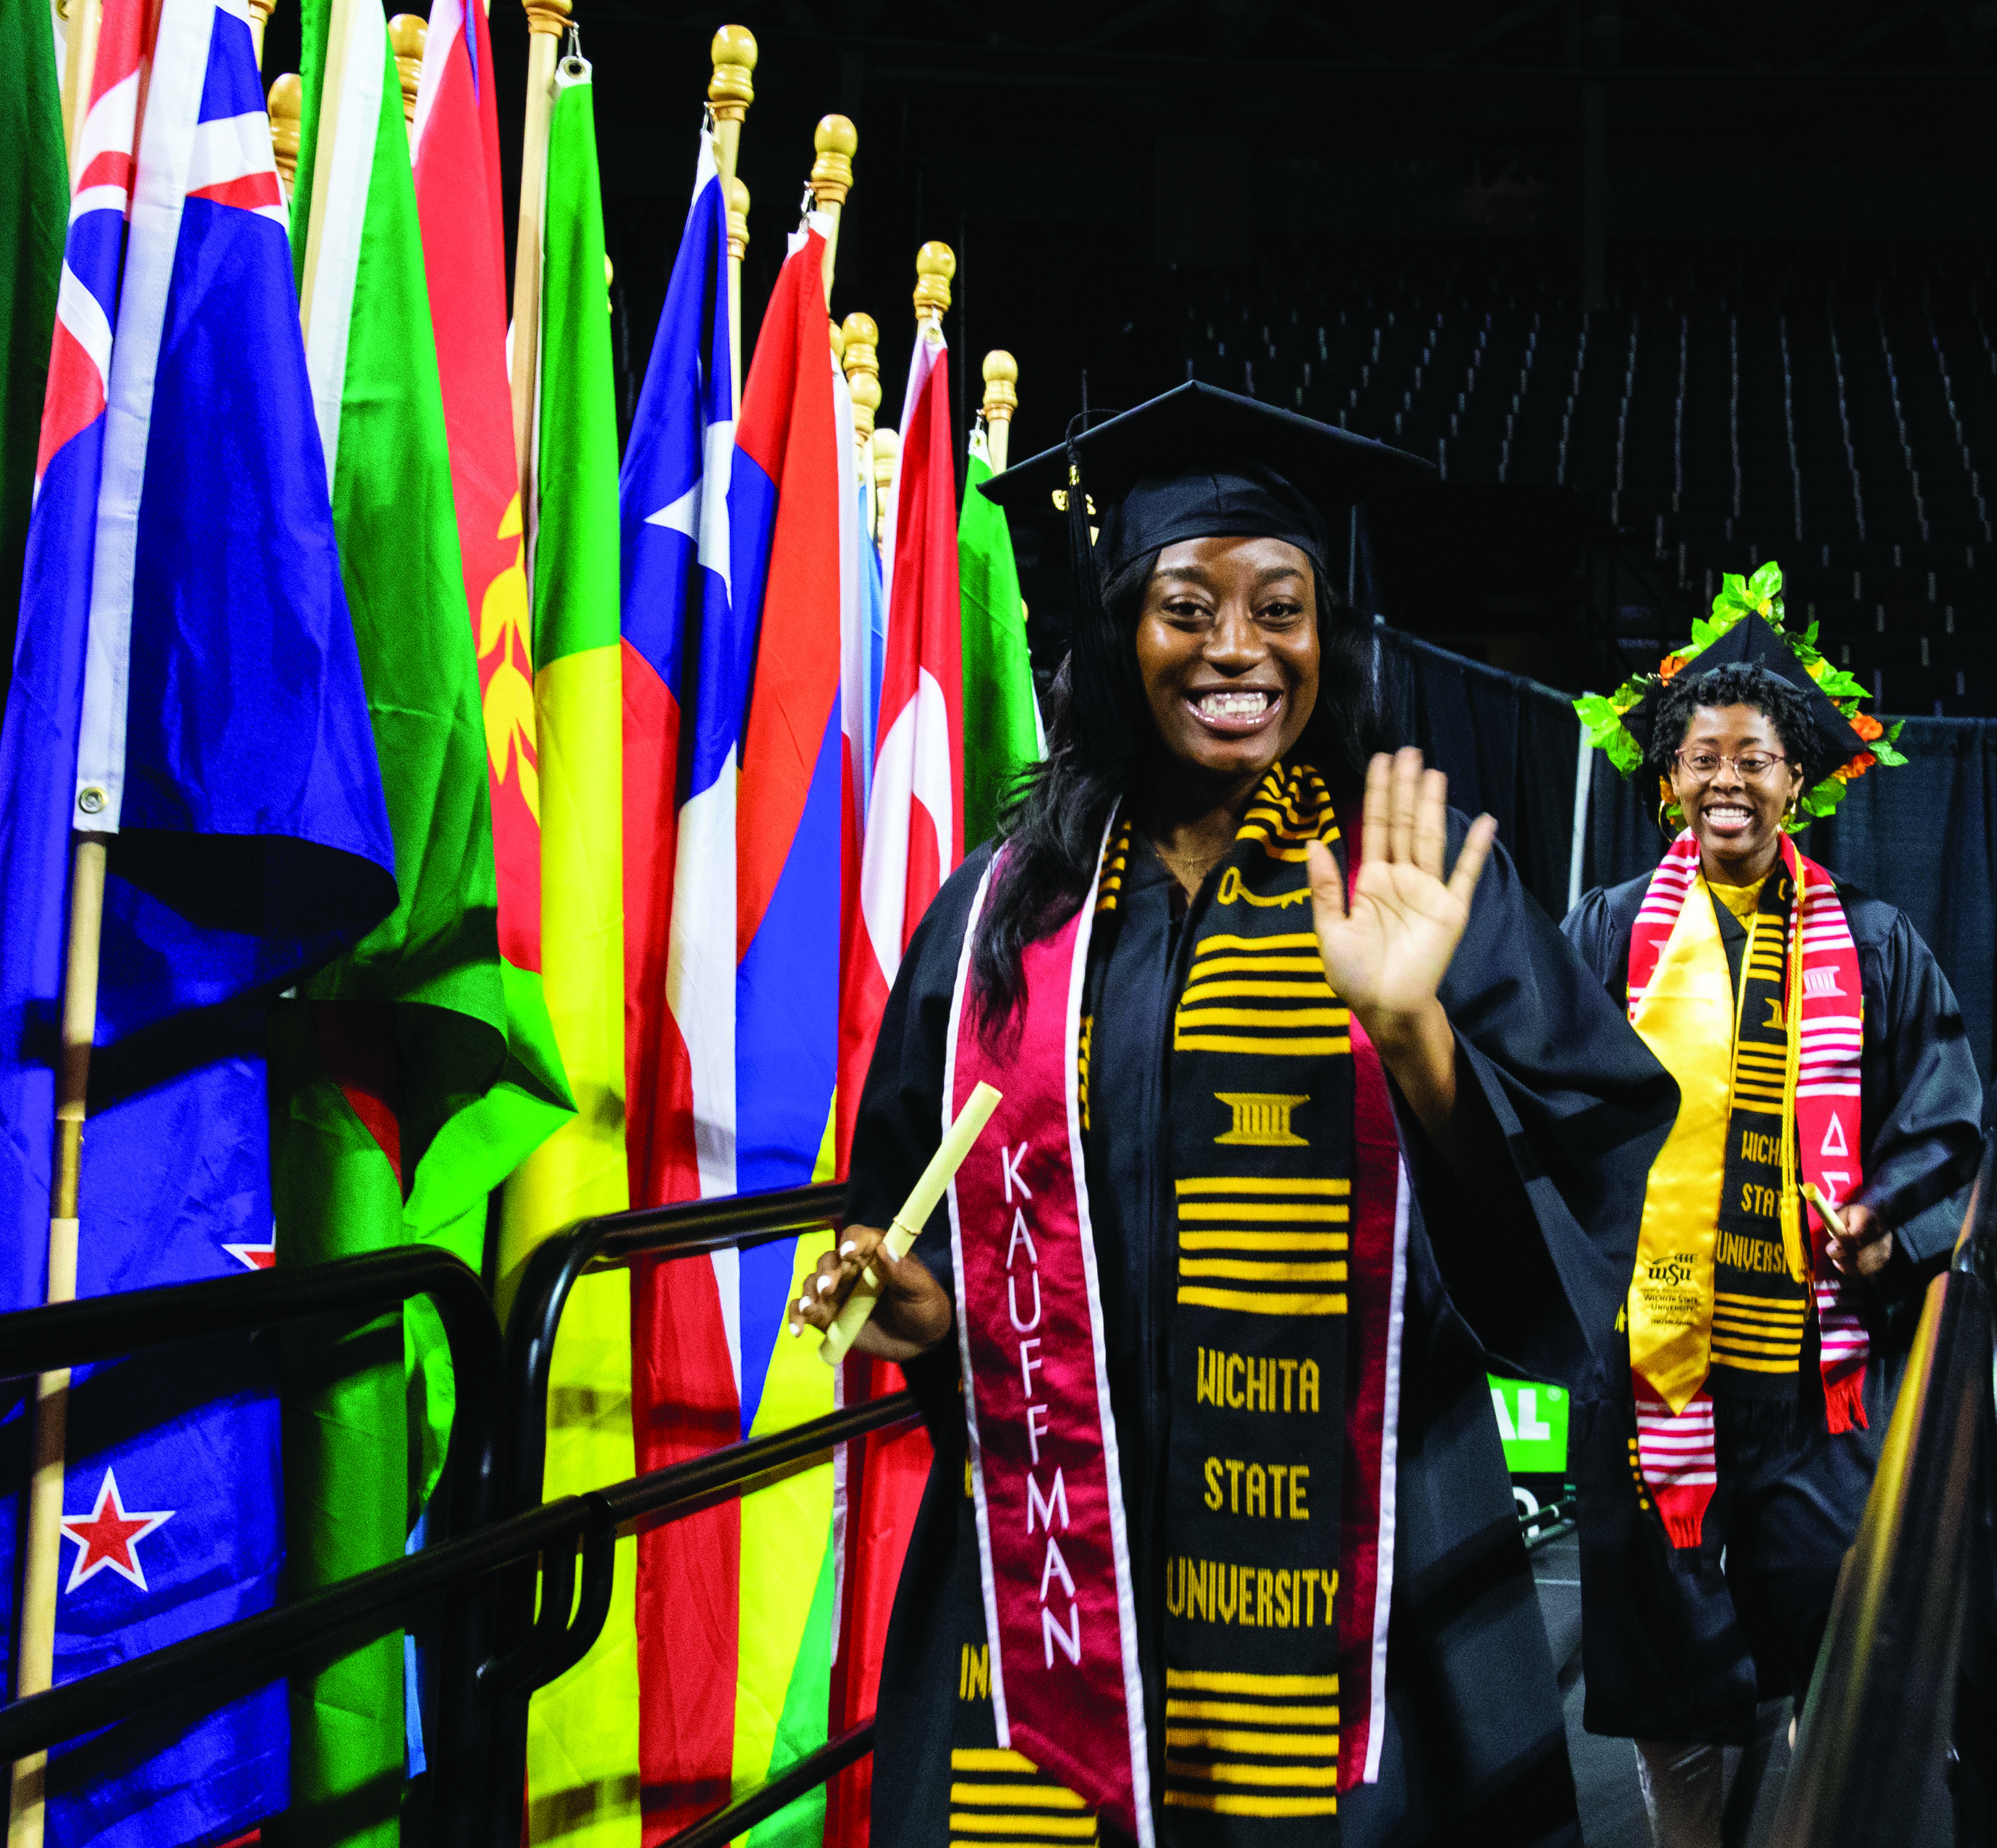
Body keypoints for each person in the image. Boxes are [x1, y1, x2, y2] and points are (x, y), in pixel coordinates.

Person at [790, 382, 1678, 1847]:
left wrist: (1419, 1039)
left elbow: (1584, 1218)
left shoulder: (1419, 881)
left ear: (1330, 635)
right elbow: (923, 1205)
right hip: (1048, 1587)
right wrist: (928, 1311)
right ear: (1120, 633)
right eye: (1185, 605)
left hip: (1367, 1604)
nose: (1238, 649)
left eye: (1282, 605)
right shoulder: (1007, 914)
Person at [1561, 599, 1983, 1848]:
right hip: (1655, 1372)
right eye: (1703, 758)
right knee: (1663, 1659)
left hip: (1818, 1381)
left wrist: (1884, 1231)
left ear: (1798, 778)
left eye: (1753, 758)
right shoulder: (1603, 934)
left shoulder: (1876, 944)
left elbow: (1946, 1123)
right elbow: (1544, 1116)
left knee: (1826, 1633)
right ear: (1670, 778)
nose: (1727, 781)